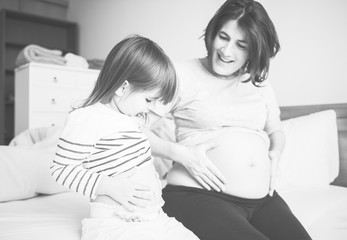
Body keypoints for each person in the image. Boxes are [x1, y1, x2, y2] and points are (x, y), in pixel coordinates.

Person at [143, 1, 312, 239]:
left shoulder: (258, 83)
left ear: (255, 51)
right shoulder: (180, 74)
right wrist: (180, 154)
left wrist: (275, 154)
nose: (226, 51)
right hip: (196, 196)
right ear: (213, 32)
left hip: (263, 199)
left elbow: (276, 131)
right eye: (223, 37)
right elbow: (132, 129)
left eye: (241, 45)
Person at [50, 35, 199, 240]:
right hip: (116, 224)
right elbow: (62, 169)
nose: (150, 108)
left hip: (155, 218)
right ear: (122, 87)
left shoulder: (131, 117)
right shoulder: (88, 118)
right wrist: (108, 186)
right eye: (148, 99)